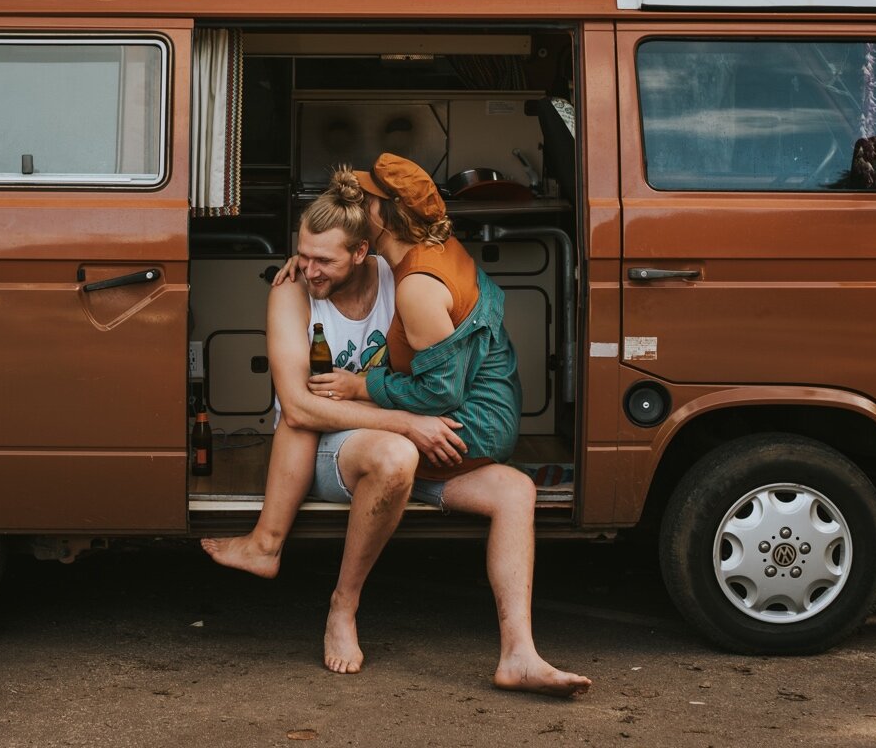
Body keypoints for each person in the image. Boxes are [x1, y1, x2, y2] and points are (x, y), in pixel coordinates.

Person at [205, 156, 591, 698]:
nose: (307, 268)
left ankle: (519, 655)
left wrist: (429, 418)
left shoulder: (404, 276)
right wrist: (410, 422)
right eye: (302, 253)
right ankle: (343, 606)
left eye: (322, 260)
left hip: (405, 438)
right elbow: (298, 409)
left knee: (515, 489)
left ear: (362, 250)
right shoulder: (290, 290)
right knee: (395, 454)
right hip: (326, 449)